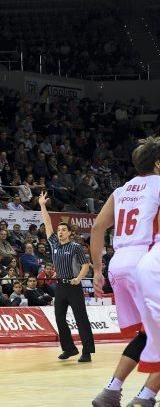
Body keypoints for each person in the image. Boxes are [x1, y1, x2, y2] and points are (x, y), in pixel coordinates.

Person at [90, 137, 160, 407]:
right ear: (156, 162)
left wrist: (98, 270)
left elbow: (97, 228)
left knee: (147, 335)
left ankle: (111, 391)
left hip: (118, 265)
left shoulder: (122, 190)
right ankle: (145, 398)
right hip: (147, 261)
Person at [39, 191, 95, 363]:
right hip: (60, 287)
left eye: (63, 230)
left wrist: (79, 278)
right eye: (59, 230)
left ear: (70, 233)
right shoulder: (54, 243)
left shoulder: (76, 247)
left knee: (81, 318)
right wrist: (42, 205)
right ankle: (69, 349)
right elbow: (47, 223)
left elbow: (86, 265)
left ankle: (87, 351)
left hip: (73, 285)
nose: (60, 232)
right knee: (59, 318)